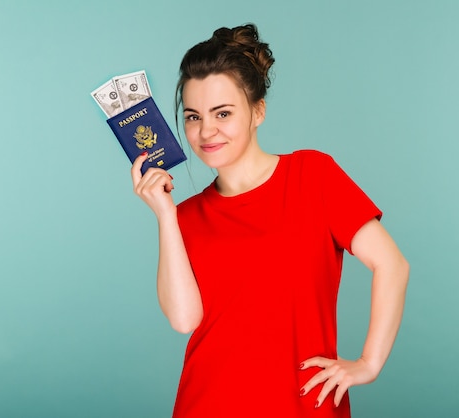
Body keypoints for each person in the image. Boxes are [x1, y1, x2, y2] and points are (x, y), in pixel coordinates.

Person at [131, 23, 409, 418]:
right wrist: (164, 216)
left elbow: (393, 264)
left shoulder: (313, 176)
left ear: (257, 111)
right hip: (207, 404)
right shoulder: (186, 215)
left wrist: (369, 362)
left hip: (304, 405)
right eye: (193, 117)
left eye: (222, 113)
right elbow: (183, 319)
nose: (206, 131)